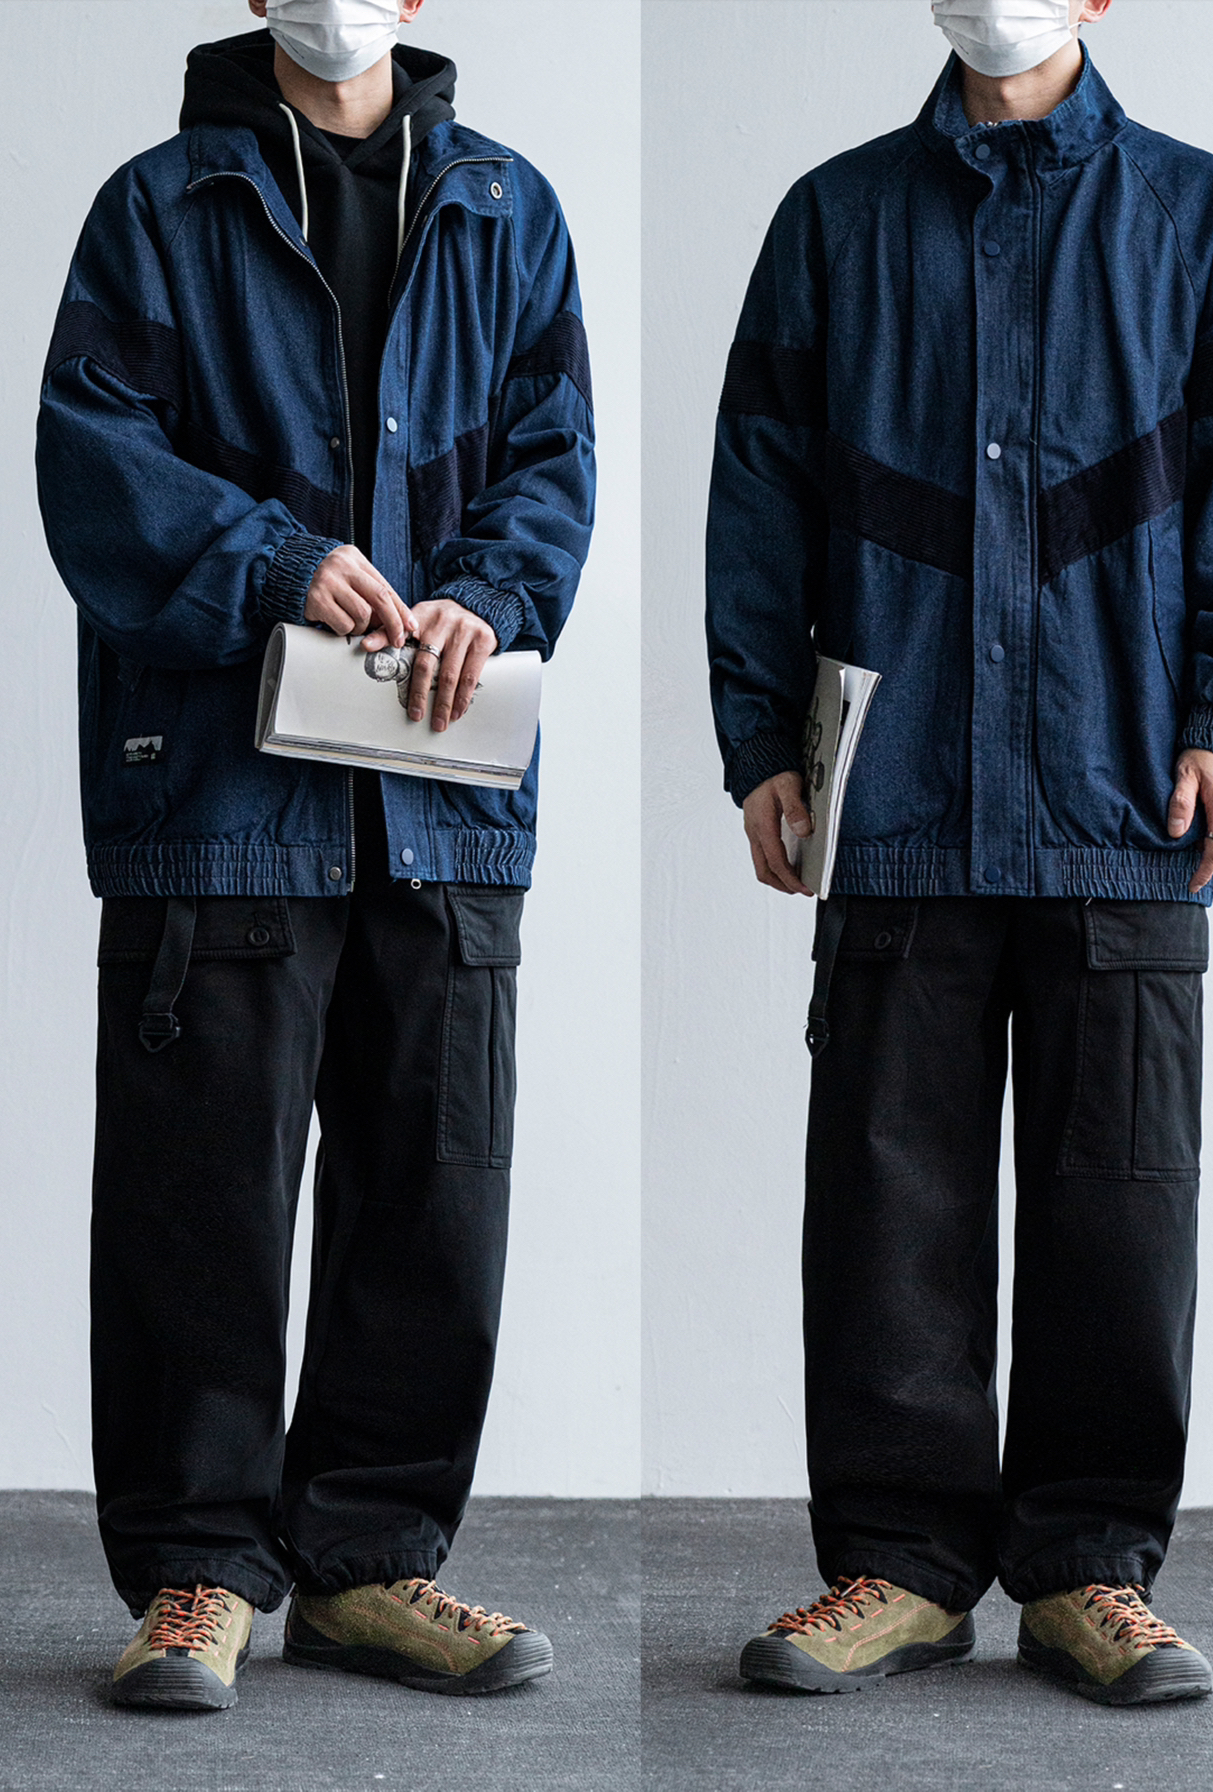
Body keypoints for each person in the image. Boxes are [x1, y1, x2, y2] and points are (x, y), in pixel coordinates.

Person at [705, 0, 1213, 1705]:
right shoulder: (836, 220)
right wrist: (760, 741)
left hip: (1125, 804)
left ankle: (1090, 1571)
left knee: (1122, 1201)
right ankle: (899, 1566)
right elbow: (758, 489)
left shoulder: (1201, 215)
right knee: (885, 1197)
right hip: (897, 798)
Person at [36, 0, 594, 1711]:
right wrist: (275, 561)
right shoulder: (160, 207)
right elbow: (90, 459)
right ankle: (197, 1577)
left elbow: (554, 457)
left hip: (440, 792)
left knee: (435, 1194)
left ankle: (368, 1567)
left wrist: (485, 595)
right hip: (220, 793)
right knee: (196, 1200)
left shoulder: (507, 206)